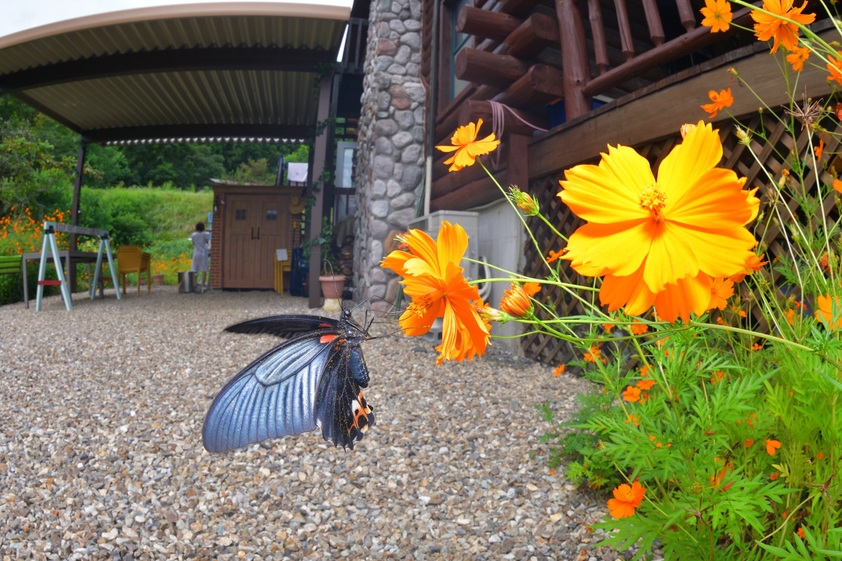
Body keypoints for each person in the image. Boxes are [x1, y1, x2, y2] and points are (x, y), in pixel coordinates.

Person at [191, 222, 211, 293]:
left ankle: (193, 284)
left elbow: (193, 243)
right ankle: (202, 286)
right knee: (204, 269)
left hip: (196, 252)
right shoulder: (205, 234)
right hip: (203, 253)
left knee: (194, 268)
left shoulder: (193, 235)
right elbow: (207, 242)